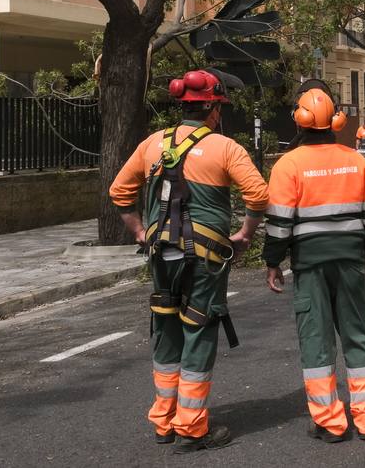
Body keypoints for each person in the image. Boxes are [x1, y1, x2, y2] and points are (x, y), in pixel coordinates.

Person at [108, 69, 267, 453]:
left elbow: (119, 192)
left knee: (165, 326)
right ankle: (192, 427)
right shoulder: (225, 148)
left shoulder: (153, 144)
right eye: (218, 108)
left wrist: (140, 231)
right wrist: (244, 235)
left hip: (161, 254)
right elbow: (259, 196)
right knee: (198, 328)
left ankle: (164, 419)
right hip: (206, 256)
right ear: (212, 108)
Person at [264, 87, 365, 443]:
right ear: (336, 121)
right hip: (349, 259)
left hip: (310, 263)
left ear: (299, 120)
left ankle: (331, 422)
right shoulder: (356, 160)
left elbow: (279, 223)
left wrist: (273, 262)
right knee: (357, 334)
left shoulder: (288, 165)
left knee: (316, 340)